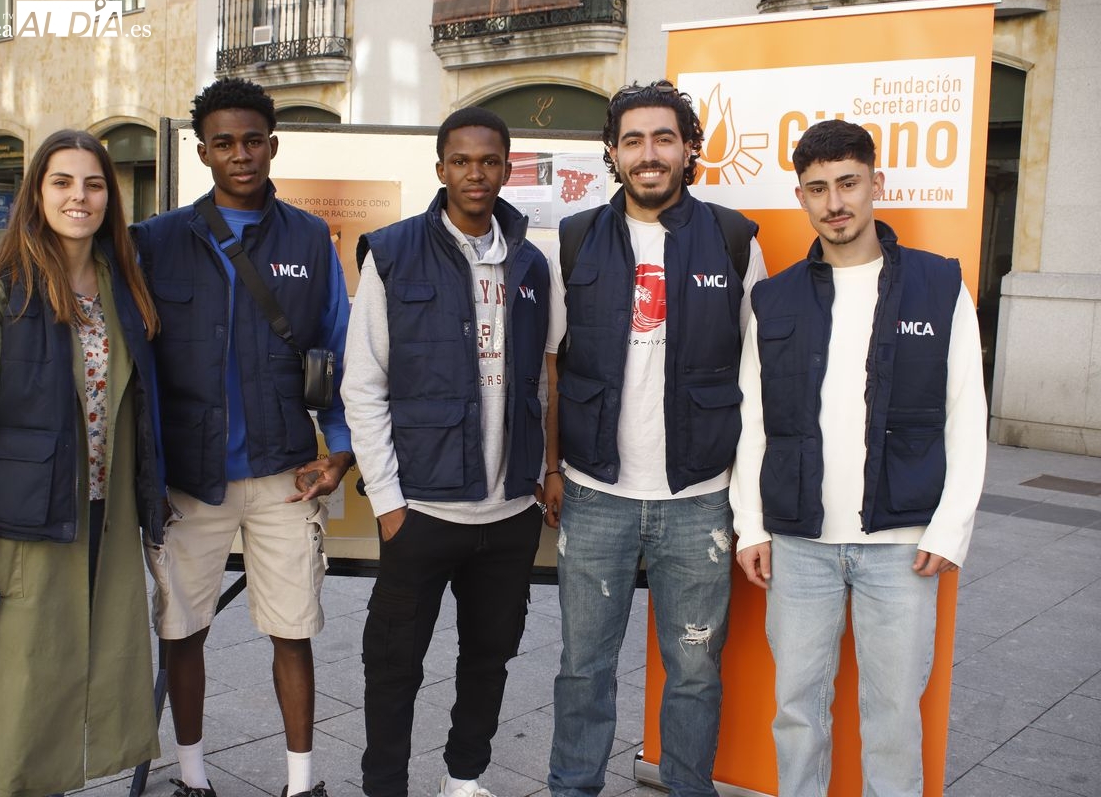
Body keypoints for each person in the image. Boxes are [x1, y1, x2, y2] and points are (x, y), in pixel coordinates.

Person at [731, 119, 987, 796]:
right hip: (800, 543)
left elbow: (967, 414)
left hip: (901, 545)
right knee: (798, 714)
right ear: (801, 196)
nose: (834, 201)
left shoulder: (938, 288)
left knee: (896, 717)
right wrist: (752, 525)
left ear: (876, 183)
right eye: (817, 188)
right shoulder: (776, 298)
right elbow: (754, 419)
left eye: (847, 182)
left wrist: (949, 527)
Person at [131, 77, 354, 797]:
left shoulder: (310, 238)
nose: (241, 155)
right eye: (224, 143)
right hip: (189, 478)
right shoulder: (157, 241)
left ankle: (301, 784)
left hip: (283, 470)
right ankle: (192, 780)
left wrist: (341, 450)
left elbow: (337, 347)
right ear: (202, 152)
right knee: (182, 633)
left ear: (273, 144)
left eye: (253, 140)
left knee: (293, 631)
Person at [545, 81, 767, 797]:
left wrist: (746, 499)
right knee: (584, 665)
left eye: (664, 138)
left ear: (689, 149)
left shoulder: (735, 240)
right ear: (612, 152)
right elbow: (552, 368)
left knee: (696, 670)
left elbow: (758, 379)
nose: (649, 154)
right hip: (596, 492)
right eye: (633, 140)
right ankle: (572, 787)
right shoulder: (574, 241)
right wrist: (551, 470)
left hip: (699, 500)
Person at [0, 129, 166, 797]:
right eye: (62, 182)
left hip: (103, 520)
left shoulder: (123, 282)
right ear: (37, 192)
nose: (80, 197)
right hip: (24, 522)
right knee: (19, 692)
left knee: (76, 681)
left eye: (94, 184)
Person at [342, 106, 550, 797]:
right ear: (440, 170)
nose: (476, 173)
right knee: (393, 663)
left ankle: (464, 779)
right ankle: (385, 786)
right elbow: (362, 385)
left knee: (489, 658)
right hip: (422, 513)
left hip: (509, 513)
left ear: (506, 167)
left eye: (489, 161)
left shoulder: (530, 264)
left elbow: (543, 373)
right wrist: (390, 502)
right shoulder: (394, 254)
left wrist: (542, 471)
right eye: (461, 161)